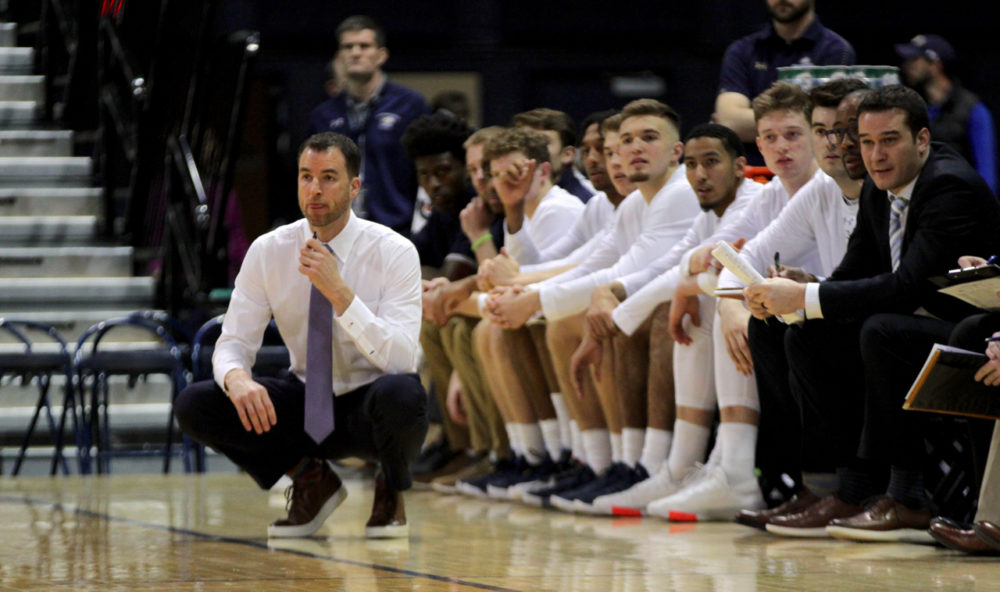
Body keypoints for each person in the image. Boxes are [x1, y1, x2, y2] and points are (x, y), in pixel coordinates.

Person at [746, 85, 1000, 541]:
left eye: (889, 140)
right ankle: (844, 487)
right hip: (914, 322)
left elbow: (906, 288)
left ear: (922, 139)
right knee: (804, 334)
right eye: (866, 142)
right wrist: (806, 293)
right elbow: (855, 269)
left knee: (882, 332)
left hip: (967, 328)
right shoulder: (878, 186)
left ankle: (907, 498)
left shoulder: (949, 186)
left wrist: (805, 298)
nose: (875, 154)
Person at [174, 132, 428, 539]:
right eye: (306, 176)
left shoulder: (394, 251)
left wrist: (341, 294)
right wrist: (237, 378)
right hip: (306, 401)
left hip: (370, 406)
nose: (315, 189)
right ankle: (312, 480)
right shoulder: (269, 250)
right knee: (196, 403)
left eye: (329, 177)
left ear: (354, 187)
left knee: (404, 393)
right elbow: (233, 343)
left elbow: (401, 359)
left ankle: (390, 486)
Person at [307, 15, 429, 236]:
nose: (356, 53)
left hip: (397, 230)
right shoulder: (323, 115)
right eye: (348, 47)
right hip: (338, 232)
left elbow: (426, 171)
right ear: (339, 57)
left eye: (364, 46)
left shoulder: (410, 105)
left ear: (381, 55)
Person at [714, 0, 855, 164]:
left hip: (812, 168)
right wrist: (800, 124)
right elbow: (731, 122)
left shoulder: (836, 50)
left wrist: (757, 122)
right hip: (754, 168)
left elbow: (829, 125)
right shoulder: (742, 51)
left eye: (792, 133)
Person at [895, 33, 997, 194]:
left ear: (935, 64)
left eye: (914, 60)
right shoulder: (914, 106)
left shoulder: (973, 109)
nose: (907, 66)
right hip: (923, 199)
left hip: (960, 199)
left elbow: (986, 171)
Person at [513, 108, 596, 202]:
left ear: (567, 154)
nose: (530, 148)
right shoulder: (508, 194)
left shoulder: (585, 202)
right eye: (523, 142)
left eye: (541, 142)